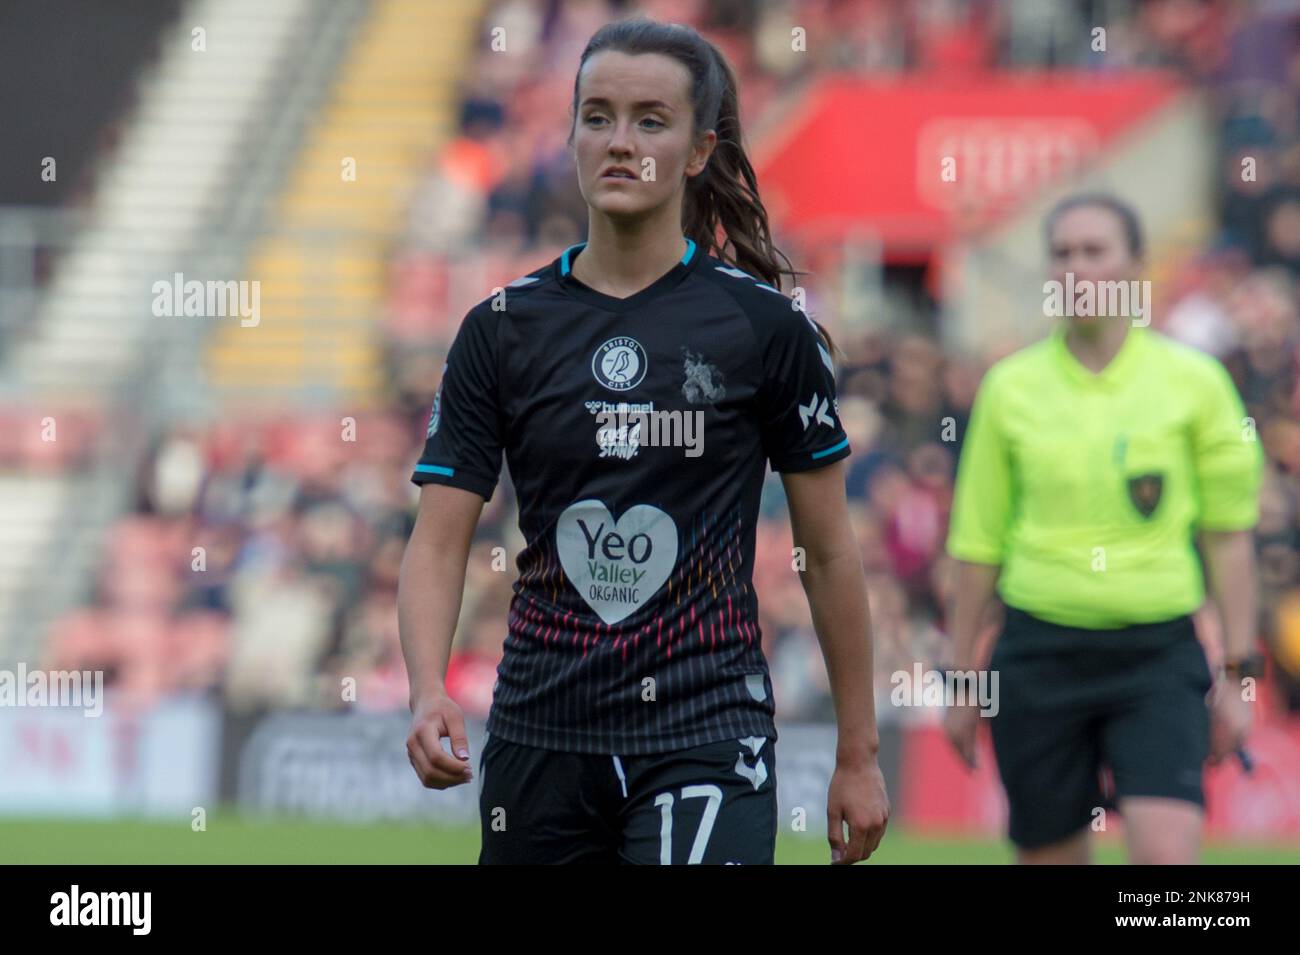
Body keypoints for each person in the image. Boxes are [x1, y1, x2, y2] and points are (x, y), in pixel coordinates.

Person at [398, 17, 889, 865]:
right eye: (598, 116)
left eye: (650, 121)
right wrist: (424, 688)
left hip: (705, 730)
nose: (619, 142)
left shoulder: (765, 329)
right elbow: (439, 542)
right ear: (571, 135)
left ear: (699, 151)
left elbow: (831, 552)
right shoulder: (501, 330)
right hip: (540, 734)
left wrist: (859, 751)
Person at [942, 193, 1264, 864]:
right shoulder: (1008, 387)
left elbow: (1229, 540)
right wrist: (962, 682)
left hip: (1158, 655)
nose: (1076, 269)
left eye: (1095, 252)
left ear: (1136, 266)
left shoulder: (1196, 383)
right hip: (1037, 655)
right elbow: (976, 549)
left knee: (1167, 868)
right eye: (1061, 254)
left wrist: (1237, 675)